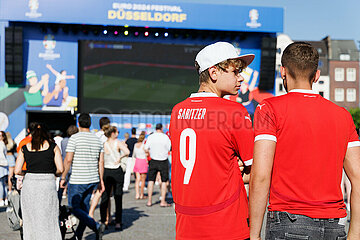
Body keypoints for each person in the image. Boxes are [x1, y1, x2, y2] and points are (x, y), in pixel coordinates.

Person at [250, 42, 360, 239]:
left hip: (289, 221)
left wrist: (254, 233)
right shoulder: (343, 115)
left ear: (282, 71)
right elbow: (358, 178)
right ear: (316, 75)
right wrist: (355, 233)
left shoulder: (269, 109)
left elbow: (261, 176)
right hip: (334, 225)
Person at [170, 42, 255, 239]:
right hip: (226, 223)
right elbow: (260, 172)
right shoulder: (234, 112)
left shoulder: (177, 110)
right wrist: (234, 168)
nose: (240, 77)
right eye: (235, 71)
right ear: (214, 73)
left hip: (186, 223)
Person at [60, 113, 106, 240]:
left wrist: (63, 177)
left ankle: (96, 226)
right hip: (93, 179)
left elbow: (68, 160)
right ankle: (78, 236)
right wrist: (101, 180)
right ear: (90, 124)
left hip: (77, 179)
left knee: (74, 208)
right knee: (84, 210)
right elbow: (101, 162)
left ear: (78, 124)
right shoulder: (97, 139)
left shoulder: (74, 138)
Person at [14, 122, 64, 240]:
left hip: (30, 183)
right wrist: (53, 173)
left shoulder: (24, 148)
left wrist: (26, 173)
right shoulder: (53, 147)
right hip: (47, 183)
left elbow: (17, 170)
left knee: (31, 218)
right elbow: (60, 169)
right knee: (49, 217)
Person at [100, 125, 129, 231]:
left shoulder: (103, 144)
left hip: (106, 171)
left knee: (105, 197)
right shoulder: (118, 142)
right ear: (113, 133)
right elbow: (127, 152)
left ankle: (104, 221)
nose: (118, 134)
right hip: (117, 170)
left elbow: (100, 159)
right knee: (118, 196)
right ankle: (118, 222)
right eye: (117, 132)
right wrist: (120, 157)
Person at [144, 123, 172, 207]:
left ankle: (149, 201)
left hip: (153, 160)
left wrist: (149, 154)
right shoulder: (165, 137)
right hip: (163, 160)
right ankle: (162, 201)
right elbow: (169, 148)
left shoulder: (151, 137)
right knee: (164, 181)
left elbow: (145, 148)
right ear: (162, 128)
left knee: (151, 180)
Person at [58, 125, 78, 201]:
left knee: (61, 185)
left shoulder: (63, 141)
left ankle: (59, 201)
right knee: (71, 186)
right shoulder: (76, 141)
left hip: (64, 164)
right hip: (73, 165)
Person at [133, 133, 148, 199]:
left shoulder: (135, 145)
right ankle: (142, 194)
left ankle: (137, 194)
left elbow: (134, 154)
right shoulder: (144, 145)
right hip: (143, 161)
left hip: (137, 161)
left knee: (137, 179)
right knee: (143, 180)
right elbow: (147, 153)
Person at [0, 131, 9, 206]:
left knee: (1, 184)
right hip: (4, 165)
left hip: (1, 165)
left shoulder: (0, 144)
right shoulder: (4, 144)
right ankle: (5, 199)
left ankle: (1, 199)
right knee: (3, 183)